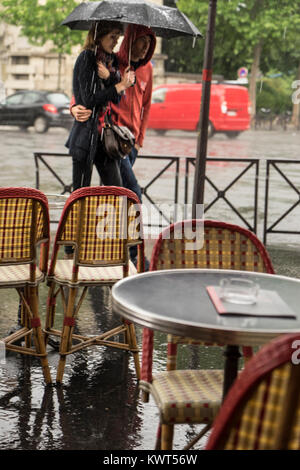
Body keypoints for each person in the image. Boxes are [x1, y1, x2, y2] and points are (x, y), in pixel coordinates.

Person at [71, 24, 156, 201]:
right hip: (108, 136)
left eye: (150, 42)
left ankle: (110, 227)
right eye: (142, 41)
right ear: (131, 40)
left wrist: (139, 141)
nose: (146, 47)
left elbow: (145, 106)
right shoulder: (111, 61)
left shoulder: (147, 69)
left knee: (113, 192)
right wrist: (73, 107)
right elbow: (83, 93)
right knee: (129, 191)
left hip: (129, 141)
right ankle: (131, 228)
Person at [66, 21, 135, 191]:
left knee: (117, 192)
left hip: (105, 138)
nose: (116, 41)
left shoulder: (110, 61)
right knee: (80, 195)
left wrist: (112, 79)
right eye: (112, 37)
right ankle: (80, 219)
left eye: (118, 37)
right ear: (99, 36)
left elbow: (117, 101)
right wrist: (119, 86)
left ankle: (110, 218)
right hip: (85, 136)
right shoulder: (86, 58)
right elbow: (88, 100)